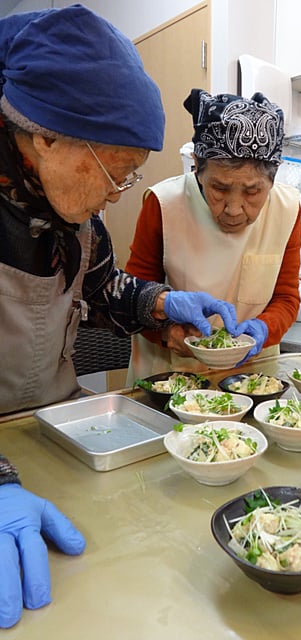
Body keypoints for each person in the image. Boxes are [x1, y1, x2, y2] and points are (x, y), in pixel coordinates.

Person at [0, 6, 238, 628]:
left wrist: (160, 303)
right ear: (45, 136)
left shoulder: (80, 226)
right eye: (117, 172)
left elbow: (106, 288)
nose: (116, 193)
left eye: (130, 177)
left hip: (56, 431)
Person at [126, 89, 301, 380]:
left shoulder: (288, 210)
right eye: (219, 188)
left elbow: (286, 298)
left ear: (273, 178)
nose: (233, 209)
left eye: (252, 191)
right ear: (197, 166)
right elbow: (133, 295)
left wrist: (263, 329)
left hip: (252, 373)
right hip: (171, 372)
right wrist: (167, 331)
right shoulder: (165, 203)